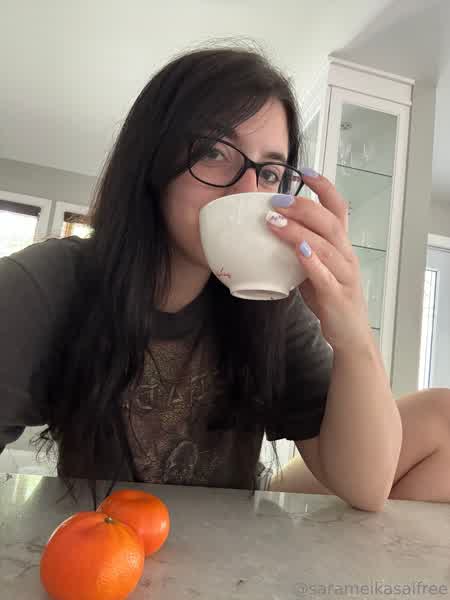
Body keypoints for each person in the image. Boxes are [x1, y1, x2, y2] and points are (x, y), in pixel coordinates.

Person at [0, 44, 444, 511]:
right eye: (214, 151)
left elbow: (366, 486)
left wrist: (352, 332)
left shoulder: (271, 304)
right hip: (110, 545)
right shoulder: (46, 286)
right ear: (152, 160)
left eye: (269, 172)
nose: (247, 190)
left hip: (231, 546)